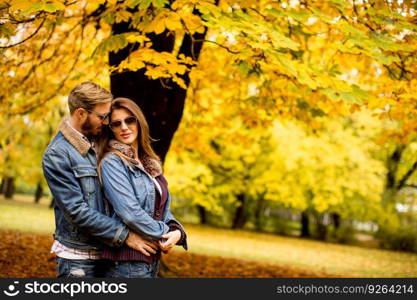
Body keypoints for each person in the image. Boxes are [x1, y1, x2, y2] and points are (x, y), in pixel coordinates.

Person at [42, 82, 155, 278]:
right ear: (80, 114)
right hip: (78, 258)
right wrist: (125, 236)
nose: (105, 122)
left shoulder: (103, 140)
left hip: (111, 255)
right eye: (102, 117)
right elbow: (76, 211)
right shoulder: (57, 154)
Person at [97, 97, 187, 278]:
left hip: (150, 261)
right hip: (125, 264)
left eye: (130, 120)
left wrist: (178, 232)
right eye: (116, 123)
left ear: (139, 121)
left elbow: (162, 210)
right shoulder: (112, 162)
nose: (124, 127)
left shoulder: (150, 164)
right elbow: (130, 213)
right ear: (111, 129)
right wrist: (165, 233)